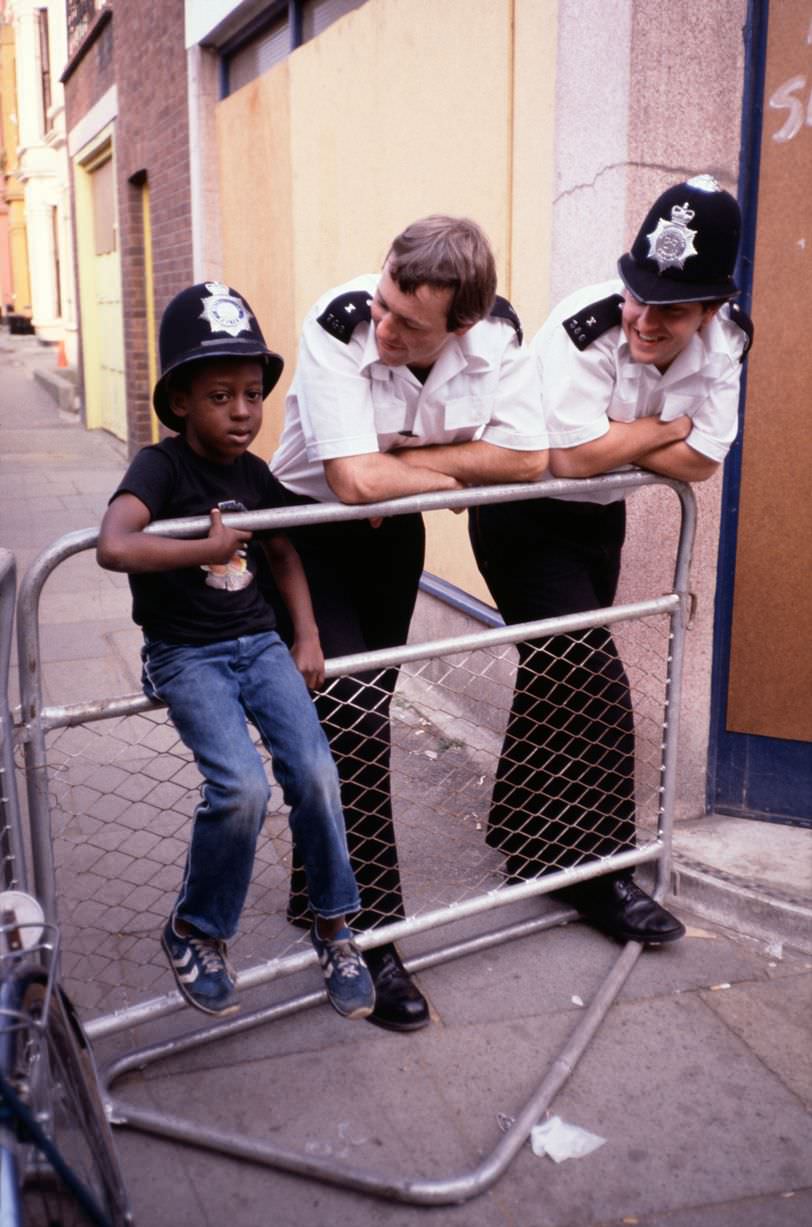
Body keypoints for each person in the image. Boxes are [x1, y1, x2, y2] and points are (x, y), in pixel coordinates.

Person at [270, 216, 548, 1030]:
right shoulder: (337, 322)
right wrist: (442, 468)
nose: (382, 325)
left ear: (460, 325)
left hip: (397, 535)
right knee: (351, 719)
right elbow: (348, 482)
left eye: (407, 321)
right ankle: (368, 931)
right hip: (307, 531)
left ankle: (312, 884)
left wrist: (405, 470)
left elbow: (529, 458)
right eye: (384, 300)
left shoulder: (498, 337)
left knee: (360, 718)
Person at [469, 175, 753, 944]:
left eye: (672, 310)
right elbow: (568, 456)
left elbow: (705, 460)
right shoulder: (583, 323)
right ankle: (602, 880)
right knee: (595, 688)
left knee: (553, 672)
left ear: (713, 310)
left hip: (599, 523)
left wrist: (630, 445)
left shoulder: (731, 339)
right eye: (639, 297)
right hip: (521, 519)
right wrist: (669, 427)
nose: (645, 320)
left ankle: (528, 846)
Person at [96, 282, 375, 1021]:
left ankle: (335, 925)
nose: (244, 411)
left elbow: (284, 549)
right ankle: (195, 929)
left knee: (316, 770)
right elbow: (112, 544)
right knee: (241, 787)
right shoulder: (161, 469)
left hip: (260, 644)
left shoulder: (252, 474)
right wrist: (204, 545)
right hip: (187, 653)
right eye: (222, 395)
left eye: (253, 393)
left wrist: (307, 634)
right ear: (181, 400)